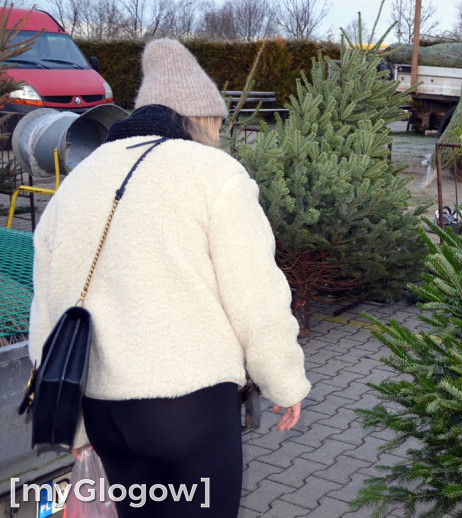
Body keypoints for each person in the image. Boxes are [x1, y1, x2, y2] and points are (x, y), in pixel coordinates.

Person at [29, 38, 311, 517]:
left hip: (103, 411)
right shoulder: (215, 174)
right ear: (202, 119)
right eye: (218, 125)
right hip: (187, 408)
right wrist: (285, 383)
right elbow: (255, 296)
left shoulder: (80, 177)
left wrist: (74, 423)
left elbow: (49, 308)